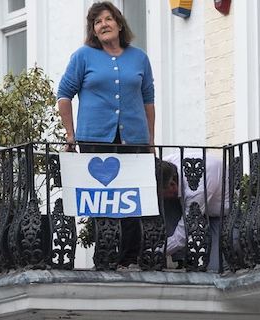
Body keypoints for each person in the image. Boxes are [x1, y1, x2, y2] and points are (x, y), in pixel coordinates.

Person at [57, 1, 155, 267]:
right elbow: (64, 96)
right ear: (93, 30)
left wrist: (150, 141)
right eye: (97, 22)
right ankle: (106, 255)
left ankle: (131, 257)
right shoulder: (83, 56)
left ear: (119, 24)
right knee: (103, 200)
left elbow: (148, 100)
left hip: (132, 139)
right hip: (95, 138)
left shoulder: (139, 58)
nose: (103, 24)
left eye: (108, 19)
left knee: (132, 199)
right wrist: (70, 134)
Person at [159, 153, 228, 271]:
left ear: (172, 185)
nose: (160, 197)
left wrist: (156, 252)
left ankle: (183, 256)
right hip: (193, 210)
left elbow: (184, 232)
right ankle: (180, 258)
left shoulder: (196, 189)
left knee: (213, 269)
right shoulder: (166, 165)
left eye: (161, 193)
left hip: (218, 217)